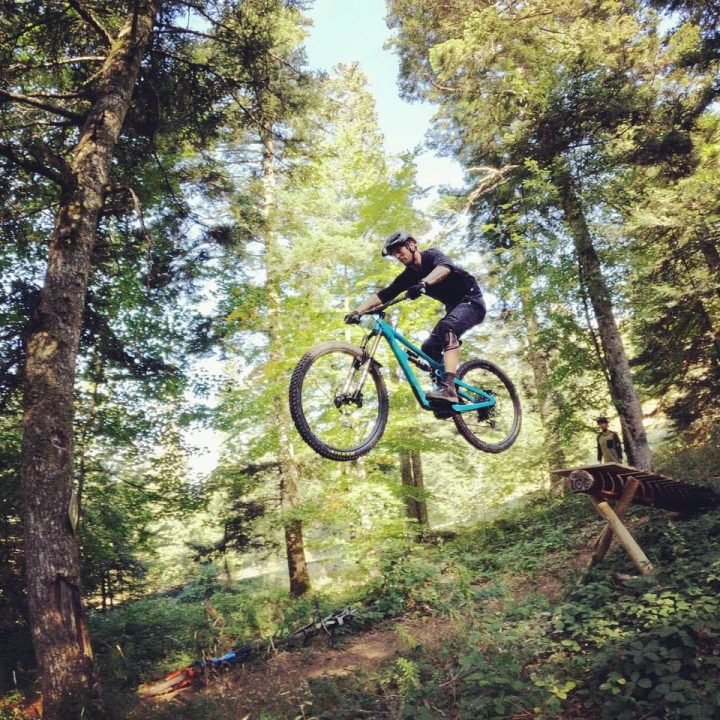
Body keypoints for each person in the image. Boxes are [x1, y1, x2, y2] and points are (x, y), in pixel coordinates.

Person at [345, 230, 486, 404]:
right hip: (454, 308)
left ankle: (449, 389)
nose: (398, 256)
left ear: (411, 245)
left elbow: (444, 268)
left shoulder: (432, 256)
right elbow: (385, 294)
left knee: (446, 328)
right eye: (395, 254)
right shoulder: (409, 275)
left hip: (472, 302)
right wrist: (357, 311)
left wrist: (423, 283)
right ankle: (447, 397)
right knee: (428, 348)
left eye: (399, 251)